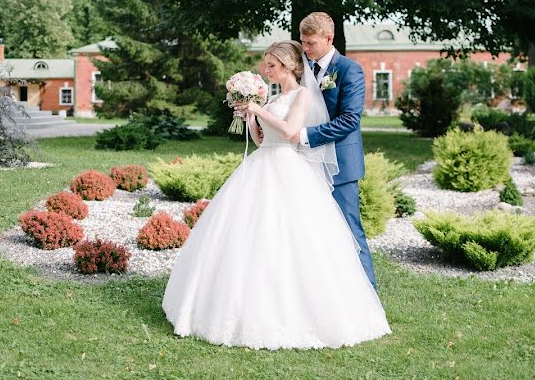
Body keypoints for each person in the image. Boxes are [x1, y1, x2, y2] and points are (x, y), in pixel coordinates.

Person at [162, 40, 390, 350]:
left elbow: (291, 133)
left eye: (271, 65)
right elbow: (261, 141)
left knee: (291, 240)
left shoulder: (301, 95)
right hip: (261, 166)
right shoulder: (272, 98)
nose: (264, 70)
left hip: (288, 169)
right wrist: (251, 117)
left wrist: (259, 110)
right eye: (265, 65)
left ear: (288, 67)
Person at [292, 12, 376, 288]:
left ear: (329, 38)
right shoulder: (303, 69)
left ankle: (369, 296)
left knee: (351, 230)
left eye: (311, 43)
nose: (305, 49)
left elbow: (350, 120)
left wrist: (305, 135)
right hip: (307, 163)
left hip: (341, 163)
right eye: (303, 42)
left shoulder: (349, 70)